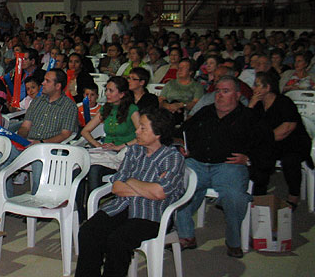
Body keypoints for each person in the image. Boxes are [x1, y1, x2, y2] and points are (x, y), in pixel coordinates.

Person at [75, 109, 185, 277]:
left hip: (153, 214)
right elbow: (117, 187)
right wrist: (147, 187)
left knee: (117, 240)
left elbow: (159, 193)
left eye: (142, 128)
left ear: (158, 134)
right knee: (88, 232)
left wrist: (131, 181)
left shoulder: (172, 158)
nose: (137, 132)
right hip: (122, 205)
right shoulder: (134, 151)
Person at [176, 76, 266, 258]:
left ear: (237, 95)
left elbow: (266, 146)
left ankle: (233, 241)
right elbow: (183, 132)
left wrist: (249, 159)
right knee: (175, 187)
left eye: (225, 91)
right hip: (197, 163)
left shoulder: (249, 117)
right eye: (218, 91)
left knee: (235, 197)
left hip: (229, 166)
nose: (219, 95)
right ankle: (186, 235)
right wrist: (183, 146)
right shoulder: (206, 112)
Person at [3, 69, 79, 196]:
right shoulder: (37, 102)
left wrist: (41, 142)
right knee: (2, 156)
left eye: (47, 81)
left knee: (39, 164)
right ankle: (6, 198)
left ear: (58, 86)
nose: (43, 83)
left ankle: (37, 201)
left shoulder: (69, 106)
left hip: (48, 148)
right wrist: (19, 138)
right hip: (28, 144)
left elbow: (65, 134)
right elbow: (25, 126)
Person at [248, 72, 312, 210]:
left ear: (267, 87)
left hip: (292, 142)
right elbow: (246, 125)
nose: (253, 88)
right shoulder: (258, 105)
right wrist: (251, 106)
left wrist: (264, 141)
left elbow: (288, 127)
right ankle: (259, 195)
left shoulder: (284, 102)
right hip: (270, 143)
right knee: (259, 157)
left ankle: (293, 196)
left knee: (290, 160)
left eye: (257, 85)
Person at [81, 76, 140, 190]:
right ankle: (76, 200)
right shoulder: (106, 108)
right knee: (77, 164)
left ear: (121, 94)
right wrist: (98, 145)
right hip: (107, 151)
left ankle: (95, 200)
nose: (107, 93)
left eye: (111, 91)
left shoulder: (132, 110)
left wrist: (120, 146)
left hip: (125, 153)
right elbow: (85, 131)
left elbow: (141, 136)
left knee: (94, 169)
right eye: (106, 90)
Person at [158, 59, 203, 124]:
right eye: (179, 67)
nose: (180, 70)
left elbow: (196, 104)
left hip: (185, 112)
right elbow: (161, 100)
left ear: (190, 72)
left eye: (183, 68)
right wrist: (169, 106)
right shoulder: (170, 83)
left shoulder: (197, 86)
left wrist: (181, 105)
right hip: (168, 111)